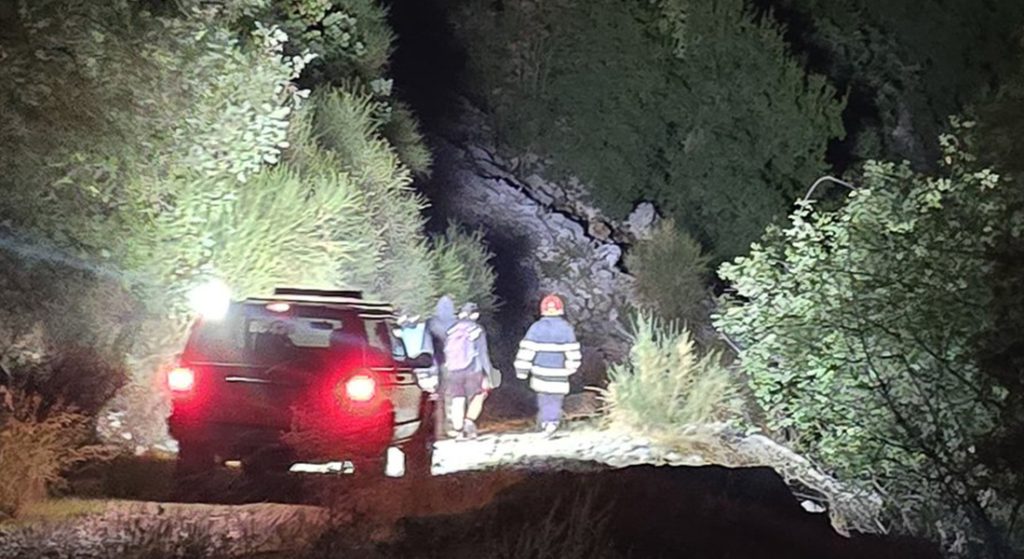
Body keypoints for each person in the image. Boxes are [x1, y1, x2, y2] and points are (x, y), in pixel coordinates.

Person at [514, 294, 582, 437]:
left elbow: (527, 350)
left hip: (540, 371)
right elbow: (572, 350)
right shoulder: (566, 328)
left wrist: (522, 370)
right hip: (559, 372)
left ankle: (546, 421)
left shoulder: (536, 328)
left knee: (544, 397)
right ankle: (552, 421)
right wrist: (572, 366)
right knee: (556, 398)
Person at [444, 302, 495, 440]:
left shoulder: (451, 330)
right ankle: (469, 422)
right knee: (478, 395)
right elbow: (483, 353)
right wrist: (488, 373)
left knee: (457, 398)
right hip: (473, 369)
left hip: (454, 370)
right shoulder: (476, 330)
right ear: (475, 315)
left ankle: (458, 430)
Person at [426, 295, 457, 439]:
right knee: (452, 397)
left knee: (438, 399)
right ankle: (451, 427)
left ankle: (438, 430)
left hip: (438, 363)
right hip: (454, 365)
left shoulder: (432, 323)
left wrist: (430, 366)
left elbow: (428, 345)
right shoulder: (456, 323)